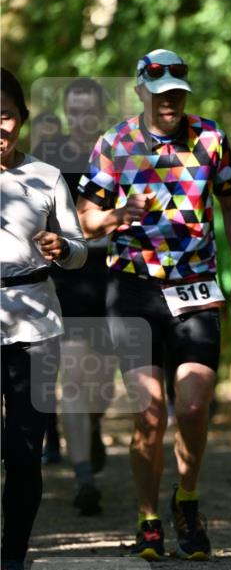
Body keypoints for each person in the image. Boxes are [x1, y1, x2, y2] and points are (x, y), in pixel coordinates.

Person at [76, 49, 231, 561]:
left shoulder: (210, 138)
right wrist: (116, 214)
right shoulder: (115, 143)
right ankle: (147, 516)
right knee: (151, 413)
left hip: (197, 287)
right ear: (141, 92)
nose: (170, 101)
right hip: (133, 288)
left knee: (195, 407)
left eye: (178, 92)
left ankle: (187, 499)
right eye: (160, 94)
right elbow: (84, 220)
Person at [0, 68, 87, 570]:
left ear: (22, 118)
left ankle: (13, 560)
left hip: (34, 319)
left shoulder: (48, 176)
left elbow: (79, 251)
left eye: (6, 115)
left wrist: (63, 247)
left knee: (24, 448)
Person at [35, 78, 112, 513]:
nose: (82, 118)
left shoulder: (121, 154)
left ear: (100, 113)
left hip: (114, 275)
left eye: (89, 110)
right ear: (68, 113)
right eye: (75, 110)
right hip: (68, 277)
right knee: (77, 375)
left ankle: (93, 428)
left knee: (100, 381)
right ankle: (84, 477)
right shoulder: (52, 160)